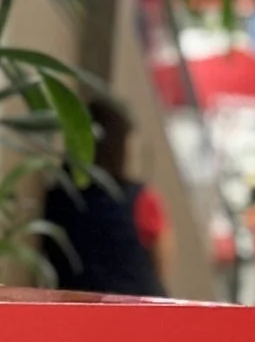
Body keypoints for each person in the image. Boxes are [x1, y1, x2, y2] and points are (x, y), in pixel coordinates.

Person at [34, 87, 168, 295]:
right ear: (119, 147)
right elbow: (162, 262)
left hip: (74, 313)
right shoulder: (141, 199)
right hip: (138, 313)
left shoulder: (55, 198)